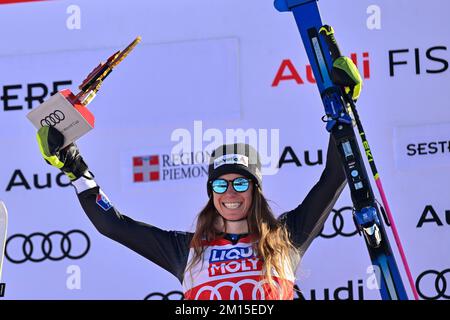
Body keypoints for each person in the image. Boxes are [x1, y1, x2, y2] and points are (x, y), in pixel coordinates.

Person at [36, 56, 362, 300]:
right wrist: (75, 169)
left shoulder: (286, 238)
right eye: (220, 184)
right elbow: (113, 225)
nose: (230, 192)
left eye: (240, 183)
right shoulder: (188, 251)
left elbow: (334, 176)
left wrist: (344, 107)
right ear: (211, 194)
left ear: (256, 191)